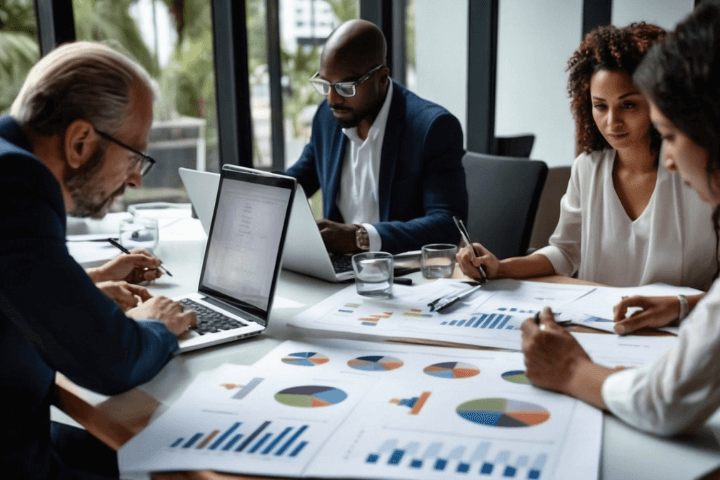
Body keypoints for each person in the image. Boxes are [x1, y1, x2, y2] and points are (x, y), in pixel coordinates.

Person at [522, 0, 720, 436]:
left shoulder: (692, 188)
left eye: (670, 134)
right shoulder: (589, 167)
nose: (668, 160)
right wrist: (686, 304)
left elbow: (664, 403)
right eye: (600, 106)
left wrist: (572, 368)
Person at [1, 42, 196, 479]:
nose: (133, 177)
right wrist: (157, 324)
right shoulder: (16, 186)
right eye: (134, 157)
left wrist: (83, 287)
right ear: (80, 141)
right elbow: (111, 362)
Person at [457, 22, 717, 333]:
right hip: (600, 327)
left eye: (629, 105)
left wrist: (681, 306)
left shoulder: (698, 174)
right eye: (600, 106)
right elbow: (566, 251)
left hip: (681, 331)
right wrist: (502, 267)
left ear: (659, 100)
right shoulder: (588, 167)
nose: (612, 122)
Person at [285, 19, 468, 255]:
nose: (332, 99)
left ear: (381, 78)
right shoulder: (328, 117)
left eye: (345, 87)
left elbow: (448, 225)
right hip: (339, 271)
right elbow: (297, 180)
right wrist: (256, 190)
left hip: (401, 275)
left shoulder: (432, 128)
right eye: (325, 84)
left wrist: (359, 237)